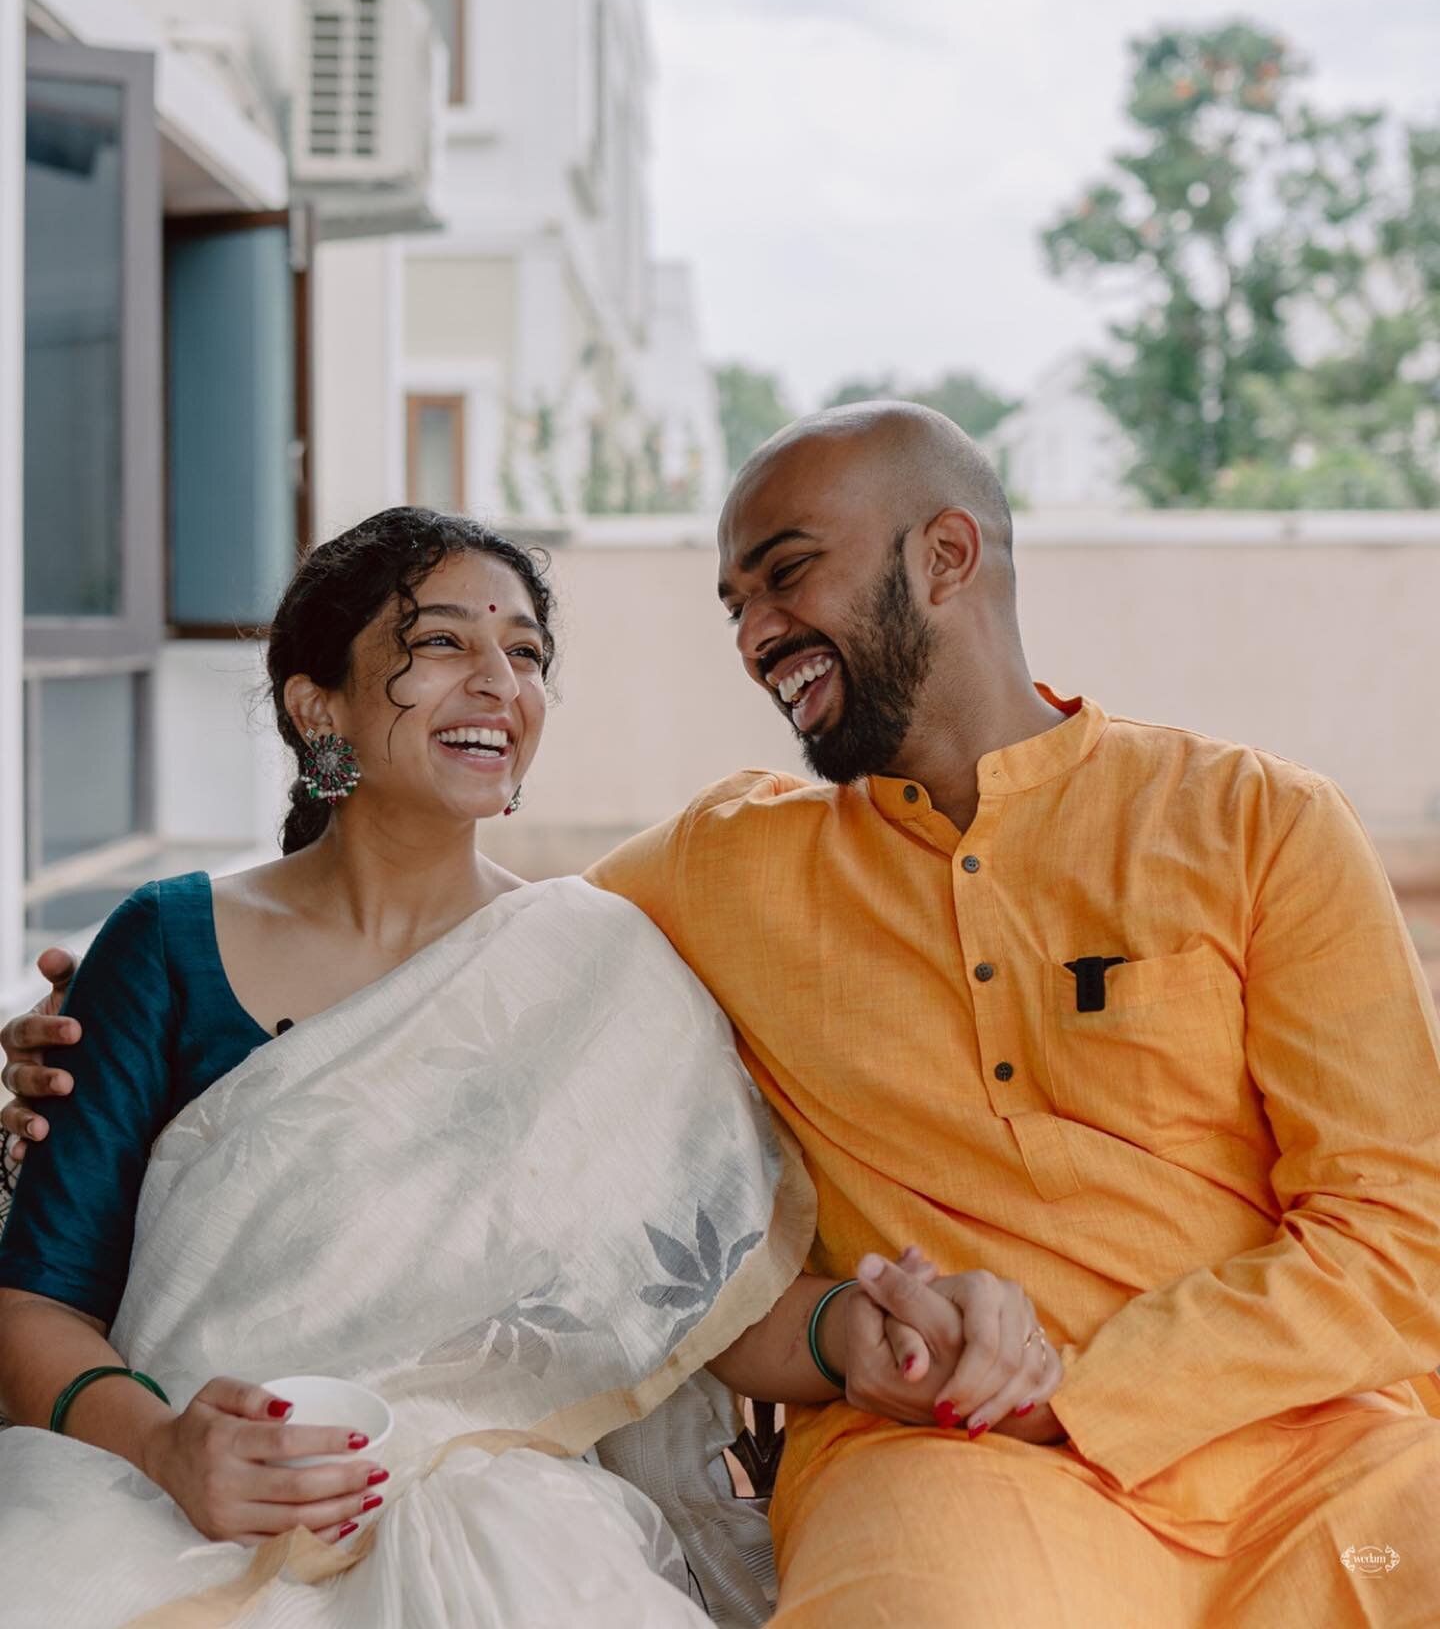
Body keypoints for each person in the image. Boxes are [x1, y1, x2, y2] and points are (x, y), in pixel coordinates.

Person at [15, 399, 1438, 1624]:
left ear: (947, 558)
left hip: (1312, 1450)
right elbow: (453, 977)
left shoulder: (1258, 824)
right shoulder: (715, 873)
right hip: (952, 1456)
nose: (756, 634)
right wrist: (124, 1031)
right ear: (318, 703)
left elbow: (1399, 1236)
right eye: (736, 605)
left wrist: (1085, 1382)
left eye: (786, 577)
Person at [0, 504, 1058, 1629]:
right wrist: (167, 1447)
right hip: (161, 1501)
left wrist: (857, 1333)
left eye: (527, 653)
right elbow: (34, 1304)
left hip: (501, 1525)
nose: (500, 681)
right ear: (319, 705)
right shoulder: (167, 945)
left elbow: (681, 1297)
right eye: (446, 641)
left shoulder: (597, 963)